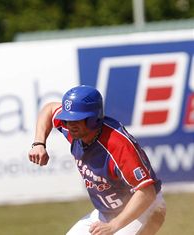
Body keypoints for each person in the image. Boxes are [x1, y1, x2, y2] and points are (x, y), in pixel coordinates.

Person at [28, 85, 166, 235]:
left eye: (76, 119)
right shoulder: (73, 130)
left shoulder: (117, 145)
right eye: (67, 119)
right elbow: (48, 109)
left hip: (144, 210)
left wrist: (114, 226)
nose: (69, 124)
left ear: (93, 119)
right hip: (106, 214)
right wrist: (39, 143)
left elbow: (147, 192)